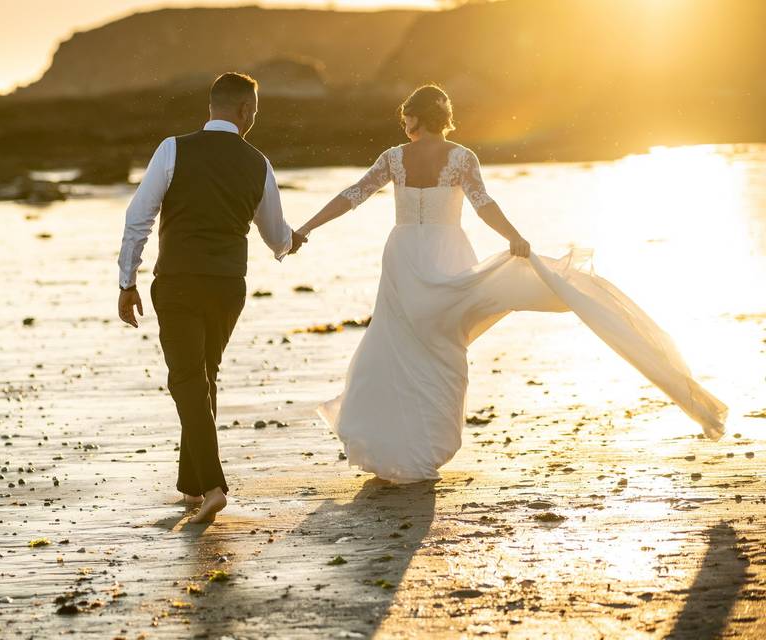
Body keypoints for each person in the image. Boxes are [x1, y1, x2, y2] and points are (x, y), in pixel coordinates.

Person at [295, 84, 727, 483]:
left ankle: (392, 446)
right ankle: (425, 448)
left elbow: (352, 195)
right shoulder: (461, 157)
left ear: (416, 117)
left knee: (395, 347)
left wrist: (307, 227)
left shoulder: (393, 157)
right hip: (448, 254)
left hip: (403, 256)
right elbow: (484, 204)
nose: (404, 126)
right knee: (444, 352)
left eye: (407, 117)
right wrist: (513, 238)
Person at [117, 72, 305, 522]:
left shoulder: (173, 149)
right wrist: (292, 242)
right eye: (254, 111)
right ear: (243, 111)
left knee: (187, 378)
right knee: (203, 375)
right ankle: (192, 485)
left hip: (179, 279)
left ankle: (213, 485)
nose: (254, 119)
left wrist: (128, 282)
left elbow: (138, 217)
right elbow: (276, 236)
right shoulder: (258, 163)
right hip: (227, 286)